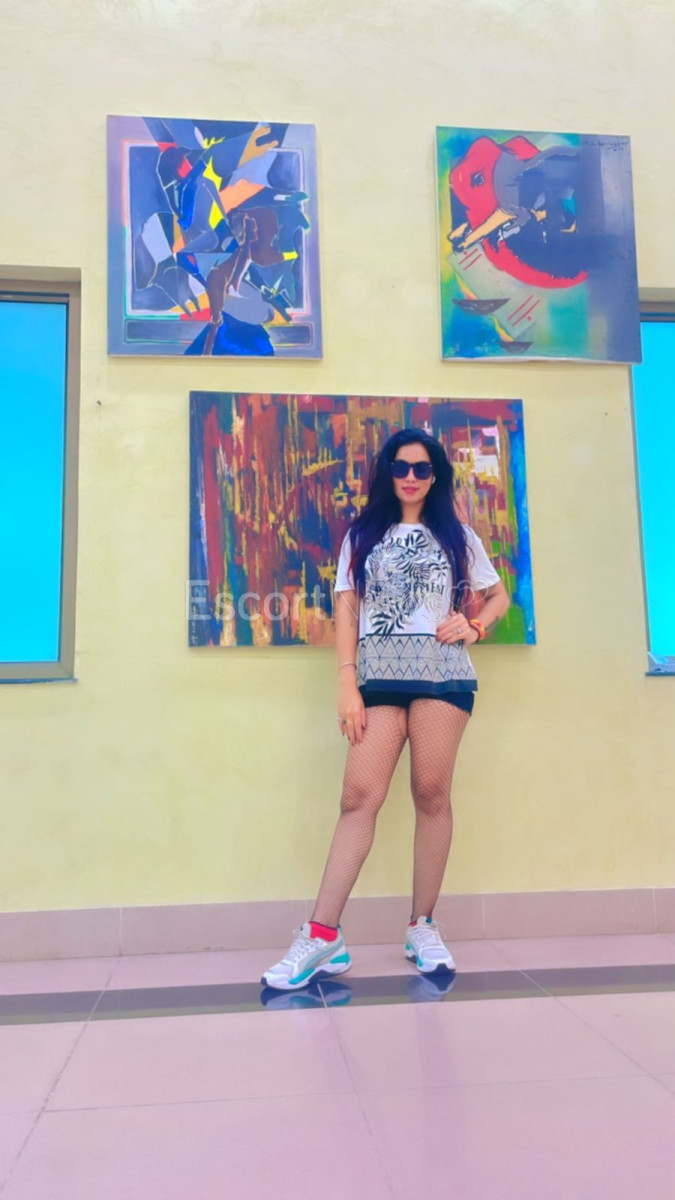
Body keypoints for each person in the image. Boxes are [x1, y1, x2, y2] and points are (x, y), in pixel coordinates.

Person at [262, 428, 510, 990]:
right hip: (377, 679)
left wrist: (474, 626)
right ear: (387, 472)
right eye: (401, 467)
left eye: (422, 468)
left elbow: (498, 595)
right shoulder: (363, 535)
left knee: (431, 793)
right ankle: (322, 934)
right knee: (358, 798)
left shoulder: (458, 535)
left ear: (435, 475)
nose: (411, 477)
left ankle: (422, 926)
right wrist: (347, 685)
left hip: (442, 678)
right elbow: (347, 610)